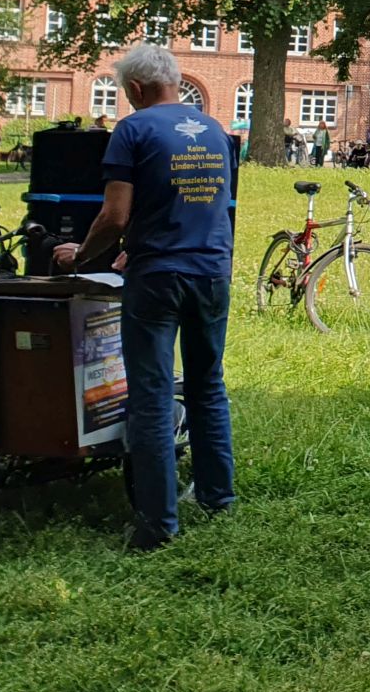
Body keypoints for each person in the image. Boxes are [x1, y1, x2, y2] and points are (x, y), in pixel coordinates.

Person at [53, 46, 237, 551]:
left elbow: (114, 215)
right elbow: (200, 206)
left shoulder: (131, 131)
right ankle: (219, 498)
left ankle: (157, 525)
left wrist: (84, 257)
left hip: (158, 279)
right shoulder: (218, 133)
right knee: (207, 385)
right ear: (175, 82)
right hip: (212, 271)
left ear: (135, 90)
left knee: (152, 398)